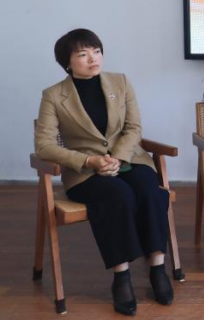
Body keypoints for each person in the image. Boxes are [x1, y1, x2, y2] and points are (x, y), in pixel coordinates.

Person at [35, 29, 173, 316]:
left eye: (96, 51)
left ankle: (157, 267)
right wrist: (89, 161)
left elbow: (134, 128)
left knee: (149, 189)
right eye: (83, 54)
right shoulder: (53, 95)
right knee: (117, 195)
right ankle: (121, 276)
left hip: (128, 159)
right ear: (67, 62)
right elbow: (45, 146)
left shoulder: (120, 82)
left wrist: (117, 157)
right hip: (85, 173)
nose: (93, 59)